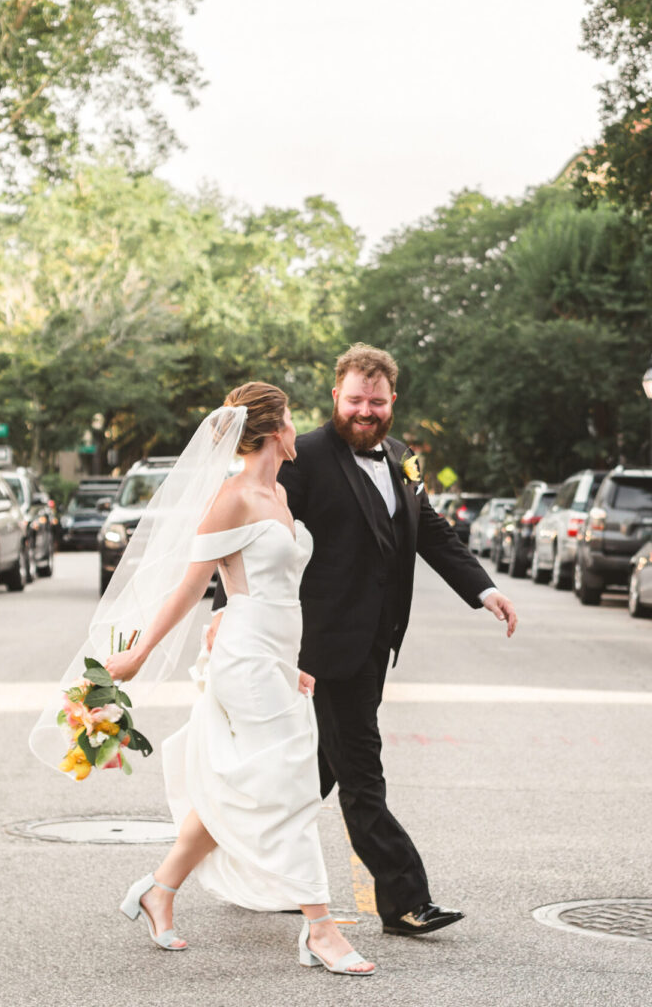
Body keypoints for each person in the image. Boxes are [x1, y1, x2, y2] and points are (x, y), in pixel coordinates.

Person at [211, 344, 517, 938]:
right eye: (355, 400)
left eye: (376, 402)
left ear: (392, 401)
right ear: (336, 397)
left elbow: (430, 530)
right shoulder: (304, 458)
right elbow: (252, 535)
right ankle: (405, 899)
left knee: (313, 772)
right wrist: (228, 610)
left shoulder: (403, 458)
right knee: (361, 772)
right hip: (316, 646)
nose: (365, 411)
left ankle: (247, 864)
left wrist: (484, 590)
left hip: (375, 643)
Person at [101, 382, 375, 976]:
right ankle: (321, 929)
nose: (299, 430)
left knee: (241, 785)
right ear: (275, 429)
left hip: (276, 653)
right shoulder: (232, 497)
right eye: (292, 420)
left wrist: (294, 653)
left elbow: (263, 582)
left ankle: (159, 888)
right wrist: (141, 653)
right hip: (246, 662)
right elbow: (191, 582)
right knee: (292, 784)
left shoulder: (277, 492)